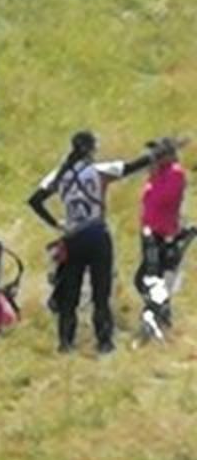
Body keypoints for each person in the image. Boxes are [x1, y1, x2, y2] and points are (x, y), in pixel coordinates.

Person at [27, 130, 156, 353]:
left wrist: (56, 223)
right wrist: (154, 155)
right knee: (101, 293)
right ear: (90, 149)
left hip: (72, 237)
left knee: (69, 294)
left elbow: (35, 201)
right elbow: (130, 167)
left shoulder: (60, 175)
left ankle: (66, 342)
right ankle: (104, 342)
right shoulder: (98, 171)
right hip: (97, 235)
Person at [133, 137, 192, 337]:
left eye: (159, 155)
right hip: (150, 231)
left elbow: (163, 200)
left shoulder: (175, 173)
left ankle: (158, 316)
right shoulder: (158, 174)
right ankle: (160, 314)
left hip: (163, 233)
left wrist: (154, 174)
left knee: (149, 278)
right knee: (148, 279)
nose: (155, 159)